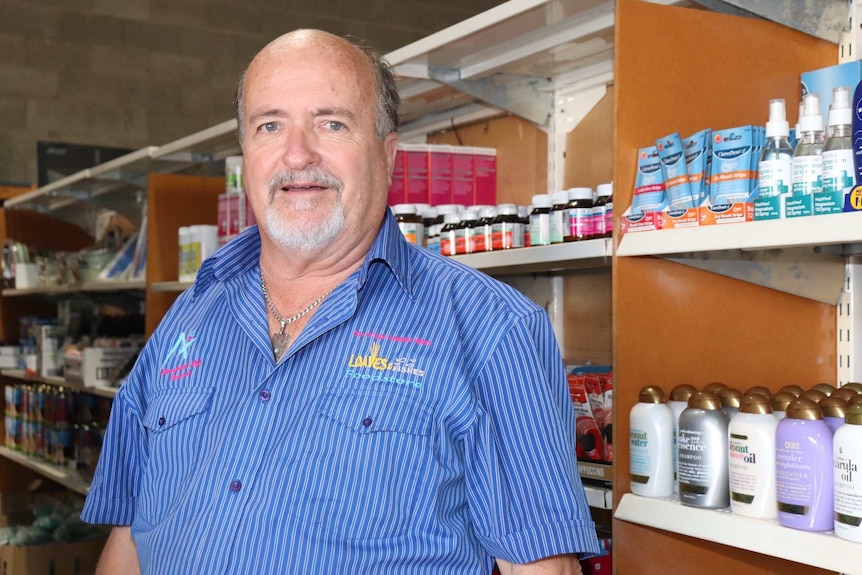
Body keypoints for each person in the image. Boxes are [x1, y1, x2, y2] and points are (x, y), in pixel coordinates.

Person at [81, 29, 600, 574]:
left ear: (387, 152)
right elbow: (130, 537)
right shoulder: (188, 317)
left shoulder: (493, 329)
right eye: (269, 125)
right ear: (246, 155)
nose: (298, 153)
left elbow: (542, 568)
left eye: (332, 123)